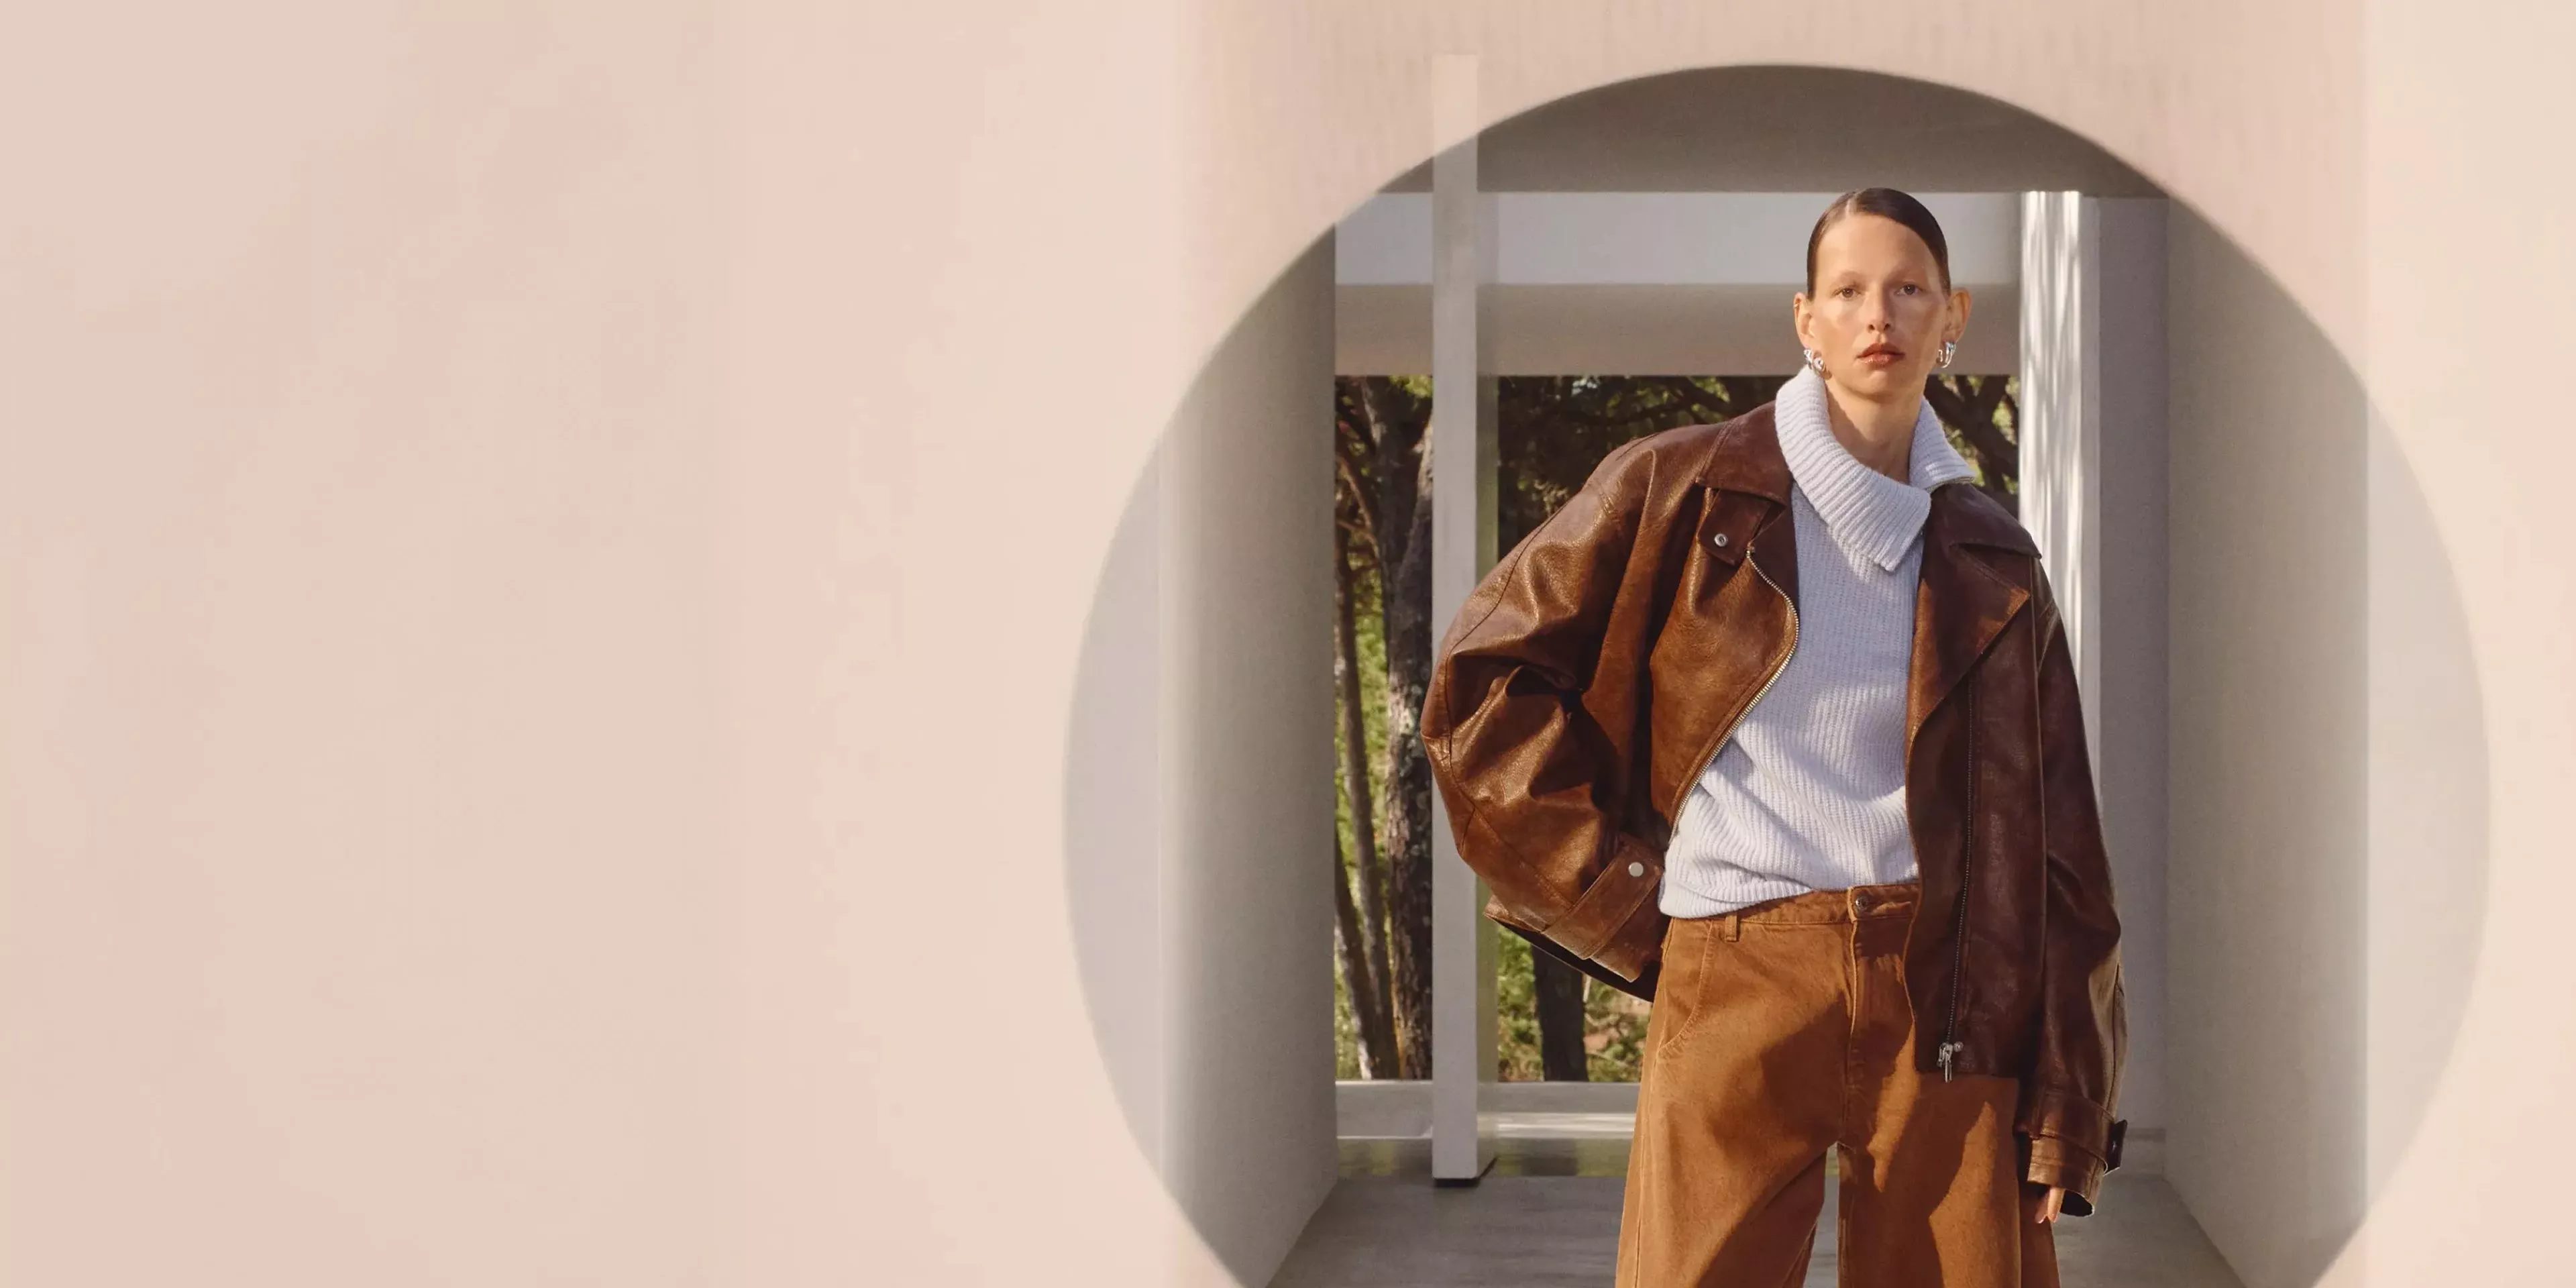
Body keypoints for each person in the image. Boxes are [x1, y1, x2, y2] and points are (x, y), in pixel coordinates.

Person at [1419, 187, 2127, 1287]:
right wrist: (1618, 904)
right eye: (1846, 290)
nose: (1876, 314)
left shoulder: (1998, 560)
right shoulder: (1683, 486)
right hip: (1733, 964)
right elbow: (1479, 691)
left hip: (1942, 994)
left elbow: (2064, 849)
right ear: (1805, 319)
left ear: (1954, 317)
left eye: (1907, 289)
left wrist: (2070, 1096)